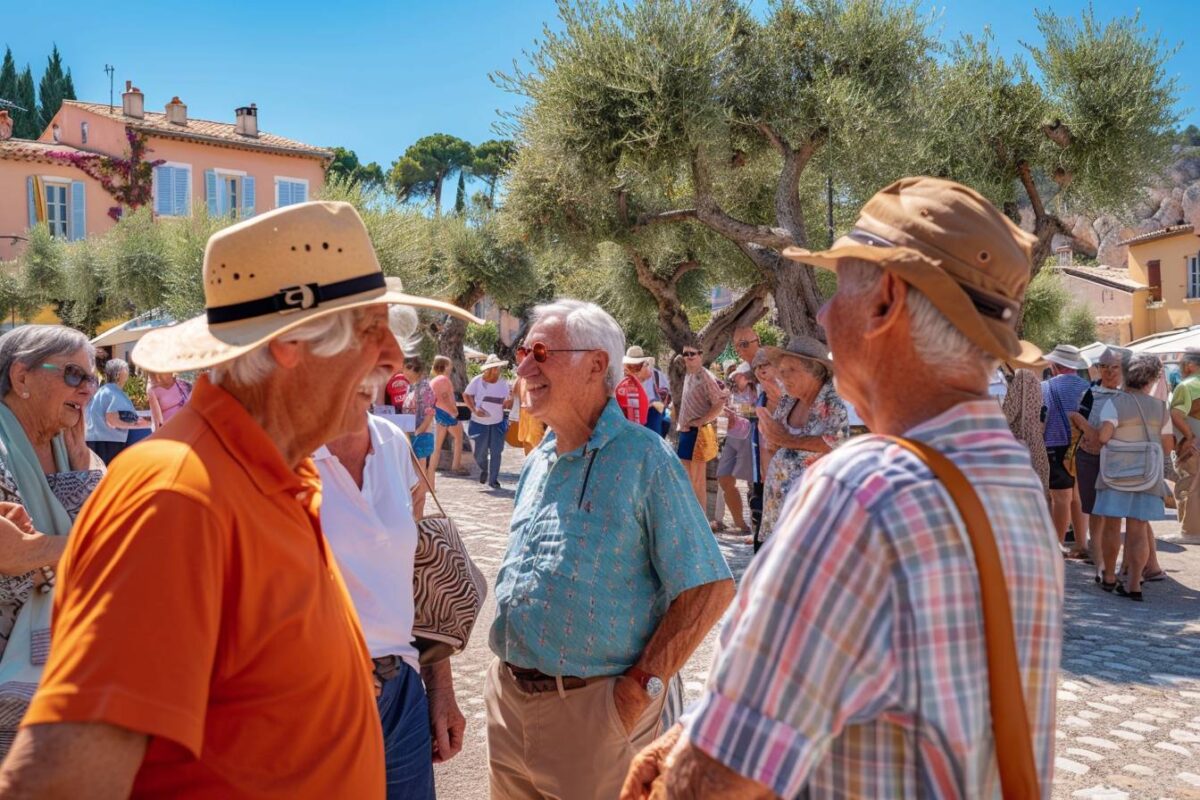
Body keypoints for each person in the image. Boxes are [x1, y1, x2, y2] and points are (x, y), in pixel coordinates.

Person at [0, 201, 479, 797]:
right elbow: (57, 783)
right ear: (289, 345)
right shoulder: (177, 496)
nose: (391, 358)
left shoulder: (269, 476)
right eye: (373, 331)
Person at [623, 177, 1060, 798]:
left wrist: (693, 757)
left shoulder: (864, 491)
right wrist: (698, 729)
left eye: (838, 289)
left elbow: (717, 779)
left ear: (883, 302)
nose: (824, 315)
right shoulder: (1008, 476)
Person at [488, 299, 734, 800]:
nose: (524, 366)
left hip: (597, 716)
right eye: (522, 353)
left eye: (540, 352)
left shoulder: (645, 458)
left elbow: (709, 588)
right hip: (509, 706)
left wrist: (637, 691)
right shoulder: (539, 460)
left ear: (597, 364)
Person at [315, 304, 465, 800]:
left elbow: (414, 573)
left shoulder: (393, 444)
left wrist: (438, 685)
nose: (377, 362)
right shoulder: (280, 454)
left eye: (382, 346)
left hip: (400, 692)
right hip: (319, 697)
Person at [0, 325, 104, 756]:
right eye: (74, 375)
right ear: (21, 378)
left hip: (69, 659)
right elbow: (11, 577)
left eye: (92, 380)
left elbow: (106, 533)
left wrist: (81, 469)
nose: (87, 391)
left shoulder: (72, 448)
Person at [1093, 353, 1170, 601]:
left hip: (1116, 474)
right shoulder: (1160, 407)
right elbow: (1168, 446)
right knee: (1138, 529)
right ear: (1152, 379)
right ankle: (1135, 584)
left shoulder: (1114, 403)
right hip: (1147, 476)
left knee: (1112, 526)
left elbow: (1104, 437)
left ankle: (1109, 577)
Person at [756, 336, 849, 541]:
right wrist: (770, 436)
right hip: (780, 504)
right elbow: (777, 438)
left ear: (815, 371)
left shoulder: (833, 401)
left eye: (792, 370)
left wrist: (784, 439)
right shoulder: (789, 399)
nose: (783, 376)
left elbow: (838, 443)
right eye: (782, 369)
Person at [1069, 347, 1126, 564]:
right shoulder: (1090, 393)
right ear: (1098, 369)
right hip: (1090, 457)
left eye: (1115, 367)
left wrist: (1092, 433)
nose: (1109, 372)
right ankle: (1096, 552)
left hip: (1117, 458)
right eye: (1104, 367)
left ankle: (1111, 557)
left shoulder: (1128, 396)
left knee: (1114, 510)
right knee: (1093, 507)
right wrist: (1085, 428)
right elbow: (1078, 420)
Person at [1041, 343, 1091, 551]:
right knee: (1078, 498)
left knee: (1060, 498)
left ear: (1055, 365)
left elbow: (1042, 418)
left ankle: (1057, 547)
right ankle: (1082, 545)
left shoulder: (1046, 387)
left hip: (1055, 444)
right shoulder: (1088, 387)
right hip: (1082, 446)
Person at [675, 345, 726, 508]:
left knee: (697, 480)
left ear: (700, 355)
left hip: (698, 432)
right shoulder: (689, 374)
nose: (689, 357)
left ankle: (701, 522)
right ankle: (692, 519)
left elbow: (719, 403)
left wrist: (702, 421)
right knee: (686, 478)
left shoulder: (705, 376)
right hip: (685, 432)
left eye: (692, 354)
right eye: (686, 354)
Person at [713, 362, 755, 535]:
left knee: (752, 483)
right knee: (724, 478)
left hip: (749, 437)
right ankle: (741, 524)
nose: (736, 377)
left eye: (740, 375)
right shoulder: (730, 393)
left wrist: (743, 412)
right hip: (731, 436)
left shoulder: (757, 392)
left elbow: (761, 411)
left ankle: (754, 528)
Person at [83, 358, 150, 464]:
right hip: (109, 443)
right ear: (119, 374)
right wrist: (139, 425)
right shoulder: (115, 393)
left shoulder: (101, 392)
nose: (128, 373)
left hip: (92, 440)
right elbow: (112, 419)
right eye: (126, 370)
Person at [463, 355, 512, 489]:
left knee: (497, 451)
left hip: (497, 422)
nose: (497, 370)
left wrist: (508, 402)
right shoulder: (478, 381)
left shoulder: (504, 383)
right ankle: (483, 469)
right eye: (495, 368)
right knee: (480, 453)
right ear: (488, 369)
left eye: (498, 368)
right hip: (479, 422)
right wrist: (473, 409)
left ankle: (493, 479)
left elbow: (508, 401)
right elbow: (466, 395)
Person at [1003, 366, 1051, 494]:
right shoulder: (1033, 378)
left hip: (1021, 451)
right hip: (1036, 447)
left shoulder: (1021, 377)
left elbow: (1007, 415)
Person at [1170, 348, 1200, 539]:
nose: (1179, 369)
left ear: (1190, 365)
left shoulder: (1186, 386)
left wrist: (1189, 436)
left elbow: (1176, 414)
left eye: (1181, 364)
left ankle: (1190, 532)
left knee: (1189, 487)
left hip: (1193, 447)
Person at [401, 352, 436, 517]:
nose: (403, 373)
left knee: (419, 476)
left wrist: (418, 431)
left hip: (421, 436)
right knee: (413, 475)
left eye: (405, 369)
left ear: (414, 368)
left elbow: (429, 413)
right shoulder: (411, 386)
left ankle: (418, 515)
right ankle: (414, 514)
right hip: (412, 435)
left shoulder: (424, 387)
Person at [430, 355, 468, 475]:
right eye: (449, 364)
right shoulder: (444, 379)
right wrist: (453, 410)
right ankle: (456, 465)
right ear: (445, 366)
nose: (451, 367)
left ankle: (432, 466)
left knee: (437, 444)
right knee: (458, 438)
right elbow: (445, 397)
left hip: (439, 411)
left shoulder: (435, 380)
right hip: (447, 412)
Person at [627, 346, 669, 436]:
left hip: (652, 415)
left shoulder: (655, 375)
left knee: (653, 440)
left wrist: (655, 404)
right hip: (631, 414)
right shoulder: (624, 376)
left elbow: (665, 392)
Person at [616, 358, 650, 425]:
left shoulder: (627, 383)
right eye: (646, 365)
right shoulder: (631, 386)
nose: (648, 369)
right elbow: (634, 421)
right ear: (637, 368)